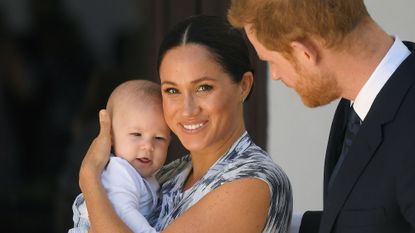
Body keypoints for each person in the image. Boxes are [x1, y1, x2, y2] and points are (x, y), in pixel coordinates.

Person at [78, 15, 292, 233]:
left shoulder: (250, 181)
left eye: (204, 88)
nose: (187, 110)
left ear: (244, 86)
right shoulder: (168, 174)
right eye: (172, 90)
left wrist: (89, 177)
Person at [228, 0, 415, 233]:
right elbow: (372, 218)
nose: (275, 75)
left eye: (270, 61)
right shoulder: (359, 101)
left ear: (304, 53)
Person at [69, 80, 171, 233]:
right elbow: (123, 212)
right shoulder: (120, 171)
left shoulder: (146, 175)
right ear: (111, 135)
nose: (148, 146)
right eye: (136, 134)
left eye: (159, 138)